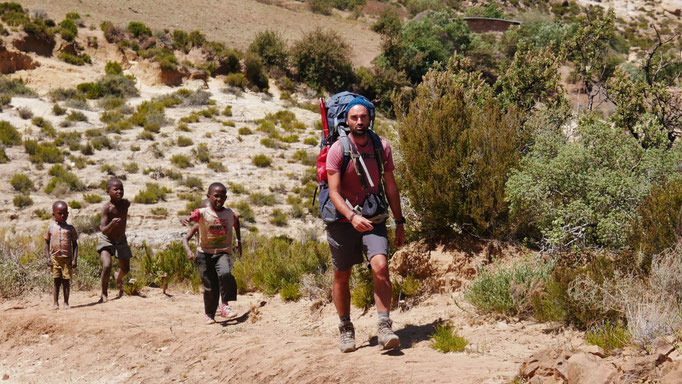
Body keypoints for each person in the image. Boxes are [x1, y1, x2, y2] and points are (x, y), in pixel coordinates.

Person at [326, 97, 406, 352]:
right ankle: (346, 328)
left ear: (370, 118)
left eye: (363, 117)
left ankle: (384, 326)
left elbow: (390, 186)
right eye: (354, 118)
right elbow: (334, 192)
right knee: (342, 274)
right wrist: (351, 216)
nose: (359, 122)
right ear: (346, 121)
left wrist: (400, 221)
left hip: (374, 217)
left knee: (381, 266)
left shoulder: (381, 146)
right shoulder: (338, 149)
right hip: (342, 220)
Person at [183, 182, 240, 324]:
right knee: (210, 286)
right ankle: (209, 314)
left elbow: (236, 222)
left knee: (226, 274)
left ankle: (225, 305)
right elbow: (193, 216)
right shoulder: (203, 213)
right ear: (209, 197)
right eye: (216, 196)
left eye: (222, 197)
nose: (219, 200)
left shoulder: (229, 213)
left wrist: (239, 242)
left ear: (226, 198)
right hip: (204, 254)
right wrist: (187, 218)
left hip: (222, 252)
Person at [97, 178, 132, 303]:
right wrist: (112, 224)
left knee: (125, 269)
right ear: (108, 192)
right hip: (107, 239)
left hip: (121, 239)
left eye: (121, 189)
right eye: (115, 189)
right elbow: (104, 230)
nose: (119, 191)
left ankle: (118, 279)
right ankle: (104, 293)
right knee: (107, 265)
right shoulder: (107, 208)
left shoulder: (125, 204)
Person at [44, 201, 78, 310]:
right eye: (59, 213)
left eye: (65, 213)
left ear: (68, 213)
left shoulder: (70, 229)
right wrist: (48, 257)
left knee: (66, 281)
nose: (63, 216)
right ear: (54, 214)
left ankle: (66, 303)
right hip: (55, 259)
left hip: (67, 259)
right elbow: (46, 243)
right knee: (56, 281)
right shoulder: (50, 228)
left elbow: (75, 245)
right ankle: (55, 303)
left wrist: (74, 259)